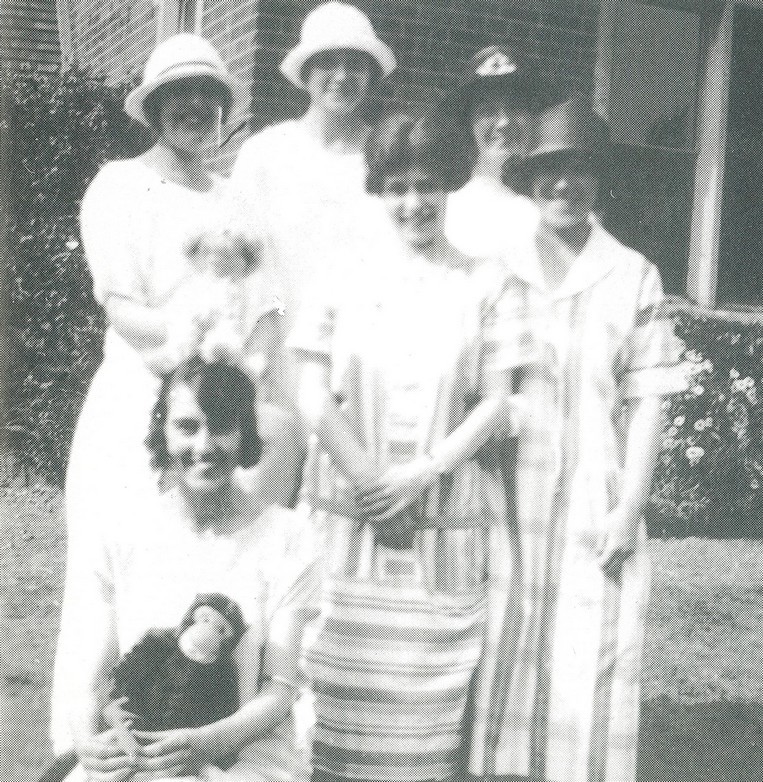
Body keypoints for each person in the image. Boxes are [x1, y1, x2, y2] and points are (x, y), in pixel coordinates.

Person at [53, 33, 285, 755]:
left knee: (206, 579)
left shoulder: (239, 200)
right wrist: (190, 338)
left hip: (217, 415)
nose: (195, 106)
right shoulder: (119, 185)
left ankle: (193, 747)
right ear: (152, 108)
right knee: (108, 582)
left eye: (208, 95)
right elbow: (121, 306)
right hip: (136, 404)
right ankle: (84, 750)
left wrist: (239, 380)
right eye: (178, 95)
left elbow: (269, 312)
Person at [467, 96, 687, 782]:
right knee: (506, 648)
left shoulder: (632, 275)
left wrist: (629, 508)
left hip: (597, 496)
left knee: (590, 661)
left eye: (581, 170)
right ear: (531, 180)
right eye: (551, 170)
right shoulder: (496, 268)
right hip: (506, 495)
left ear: (599, 180)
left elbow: (649, 400)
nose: (565, 184)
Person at [288, 111, 508, 782]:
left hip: (442, 532)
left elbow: (497, 400)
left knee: (421, 742)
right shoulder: (339, 275)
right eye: (398, 187)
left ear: (451, 187)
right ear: (379, 192)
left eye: (429, 185)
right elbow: (311, 395)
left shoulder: (488, 282)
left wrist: (420, 474)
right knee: (324, 720)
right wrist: (371, 483)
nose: (414, 202)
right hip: (345, 525)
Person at [55, 356, 320, 782]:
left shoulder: (287, 538)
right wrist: (89, 744)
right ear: (162, 430)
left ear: (246, 434)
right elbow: (93, 673)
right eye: (187, 426)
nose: (204, 446)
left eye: (222, 426)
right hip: (135, 748)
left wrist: (210, 743)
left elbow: (279, 687)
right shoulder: (120, 531)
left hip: (243, 753)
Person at [229, 0, 397, 328]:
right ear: (306, 74)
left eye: (355, 65)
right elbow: (243, 261)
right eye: (328, 63)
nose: (342, 76)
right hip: (276, 336)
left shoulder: (387, 157)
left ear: (370, 75)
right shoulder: (265, 153)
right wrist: (271, 328)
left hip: (362, 340)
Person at [445, 45, 543, 260]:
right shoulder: (450, 207)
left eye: (516, 107)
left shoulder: (554, 202)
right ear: (468, 123)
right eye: (488, 111)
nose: (504, 122)